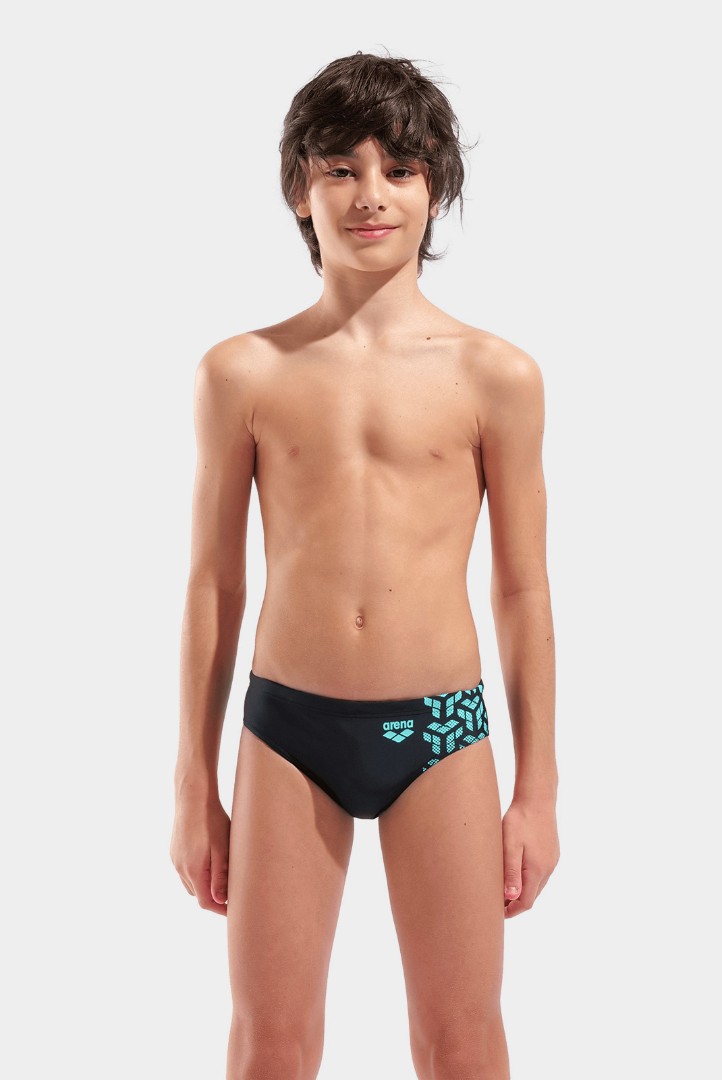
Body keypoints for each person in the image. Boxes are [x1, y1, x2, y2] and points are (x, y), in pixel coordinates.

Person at [170, 50, 560, 1080]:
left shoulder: (496, 376)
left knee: (461, 1042)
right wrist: (191, 783)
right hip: (287, 729)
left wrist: (538, 790)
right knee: (272, 1043)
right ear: (300, 191)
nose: (369, 194)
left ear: (436, 189)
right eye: (339, 168)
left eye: (399, 168)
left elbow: (522, 589)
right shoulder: (243, 371)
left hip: (440, 731)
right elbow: (214, 584)